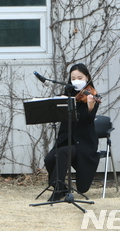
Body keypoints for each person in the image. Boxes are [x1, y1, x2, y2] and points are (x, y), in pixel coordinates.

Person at [43, 63, 100, 201]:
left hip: (84, 142)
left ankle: (58, 191)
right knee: (49, 158)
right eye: (73, 78)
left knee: (63, 153)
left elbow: (87, 120)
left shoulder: (91, 95)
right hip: (66, 139)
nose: (76, 81)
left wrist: (90, 106)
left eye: (80, 77)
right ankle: (62, 188)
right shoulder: (67, 94)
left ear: (87, 77)